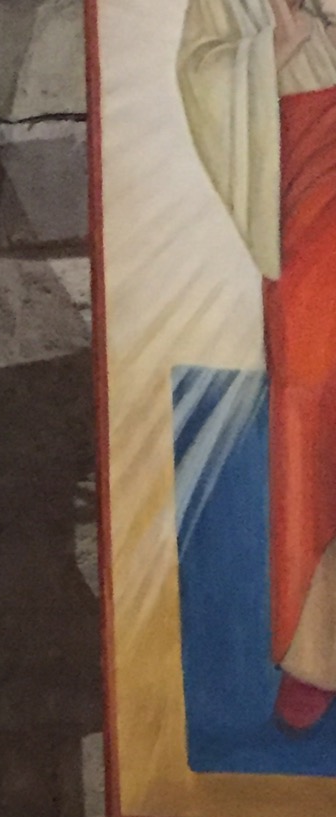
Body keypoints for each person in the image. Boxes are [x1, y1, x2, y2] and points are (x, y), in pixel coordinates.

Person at [179, 0, 336, 729]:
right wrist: (275, 47)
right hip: (308, 170)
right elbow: (201, 67)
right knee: (307, 398)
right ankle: (319, 651)